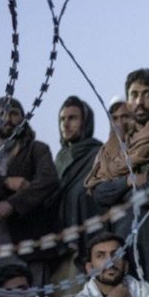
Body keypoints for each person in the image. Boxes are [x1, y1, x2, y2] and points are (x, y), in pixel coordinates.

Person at [0, 96, 61, 286]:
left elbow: (48, 180)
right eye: (1, 114)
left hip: (27, 244)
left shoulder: (36, 149)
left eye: (14, 114)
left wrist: (13, 204)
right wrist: (5, 182)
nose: (7, 119)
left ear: (23, 118)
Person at [86, 69, 149, 284]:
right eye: (134, 95)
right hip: (120, 240)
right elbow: (98, 193)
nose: (139, 102)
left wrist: (116, 191)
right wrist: (128, 181)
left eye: (147, 94)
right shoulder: (115, 147)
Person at [53, 95, 103, 283]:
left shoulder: (98, 153)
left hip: (88, 242)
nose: (65, 124)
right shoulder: (60, 158)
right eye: (62, 119)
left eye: (72, 118)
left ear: (86, 122)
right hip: (59, 242)